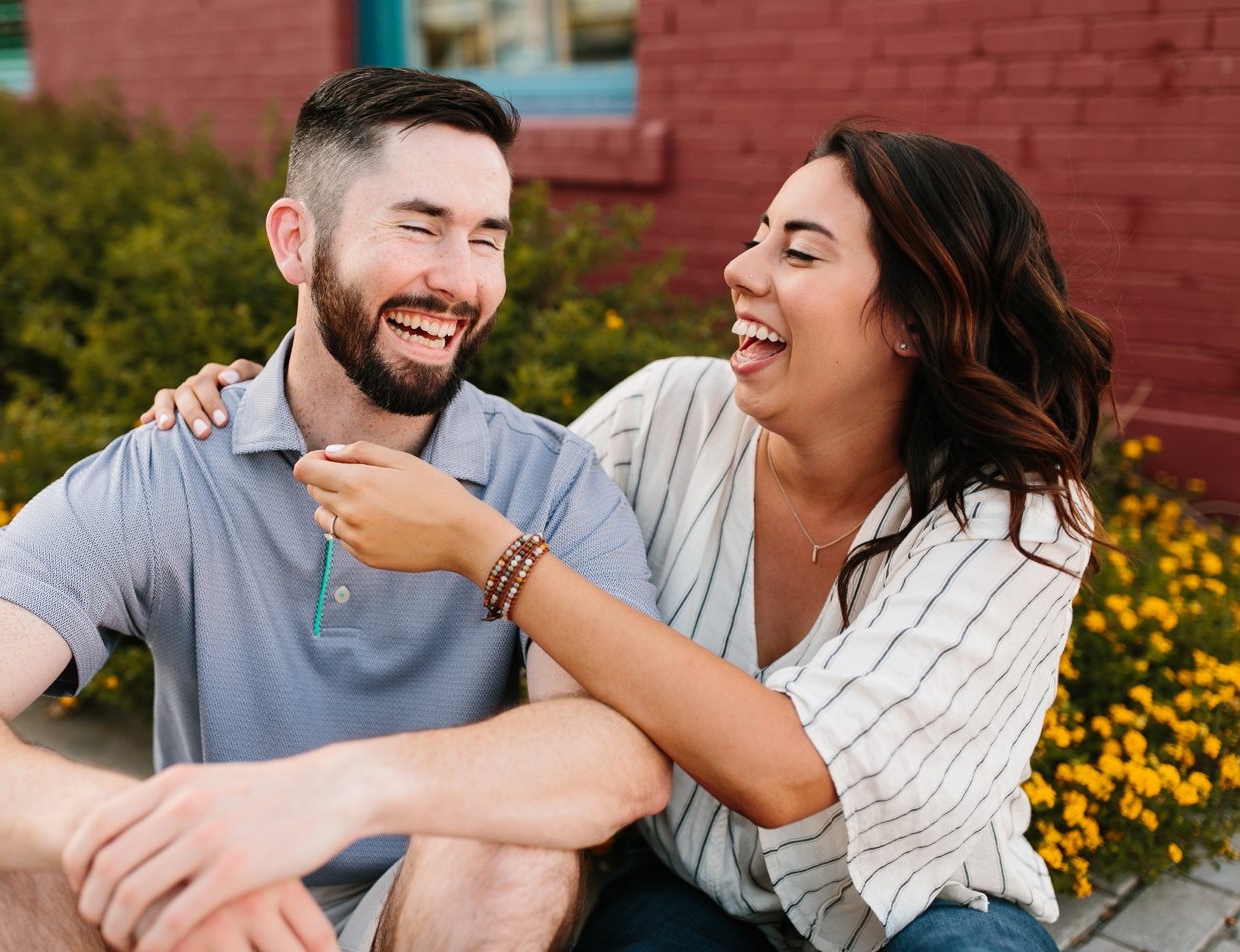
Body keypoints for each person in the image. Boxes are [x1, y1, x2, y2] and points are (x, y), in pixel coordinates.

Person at [153, 124, 1115, 951]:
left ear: (915, 318)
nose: (741, 270)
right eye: (756, 238)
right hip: (689, 888)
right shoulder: (668, 411)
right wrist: (289, 404)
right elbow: (456, 496)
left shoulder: (1016, 517)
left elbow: (790, 774)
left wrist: (500, 559)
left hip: (924, 905)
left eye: (801, 253)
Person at [0, 67, 672, 952]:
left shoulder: (554, 478)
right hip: (197, 915)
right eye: (419, 227)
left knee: (515, 841)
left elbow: (619, 757)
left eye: (487, 238)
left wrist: (338, 790)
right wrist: (136, 825)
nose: (459, 280)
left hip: (421, 914)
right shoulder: (169, 471)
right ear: (296, 242)